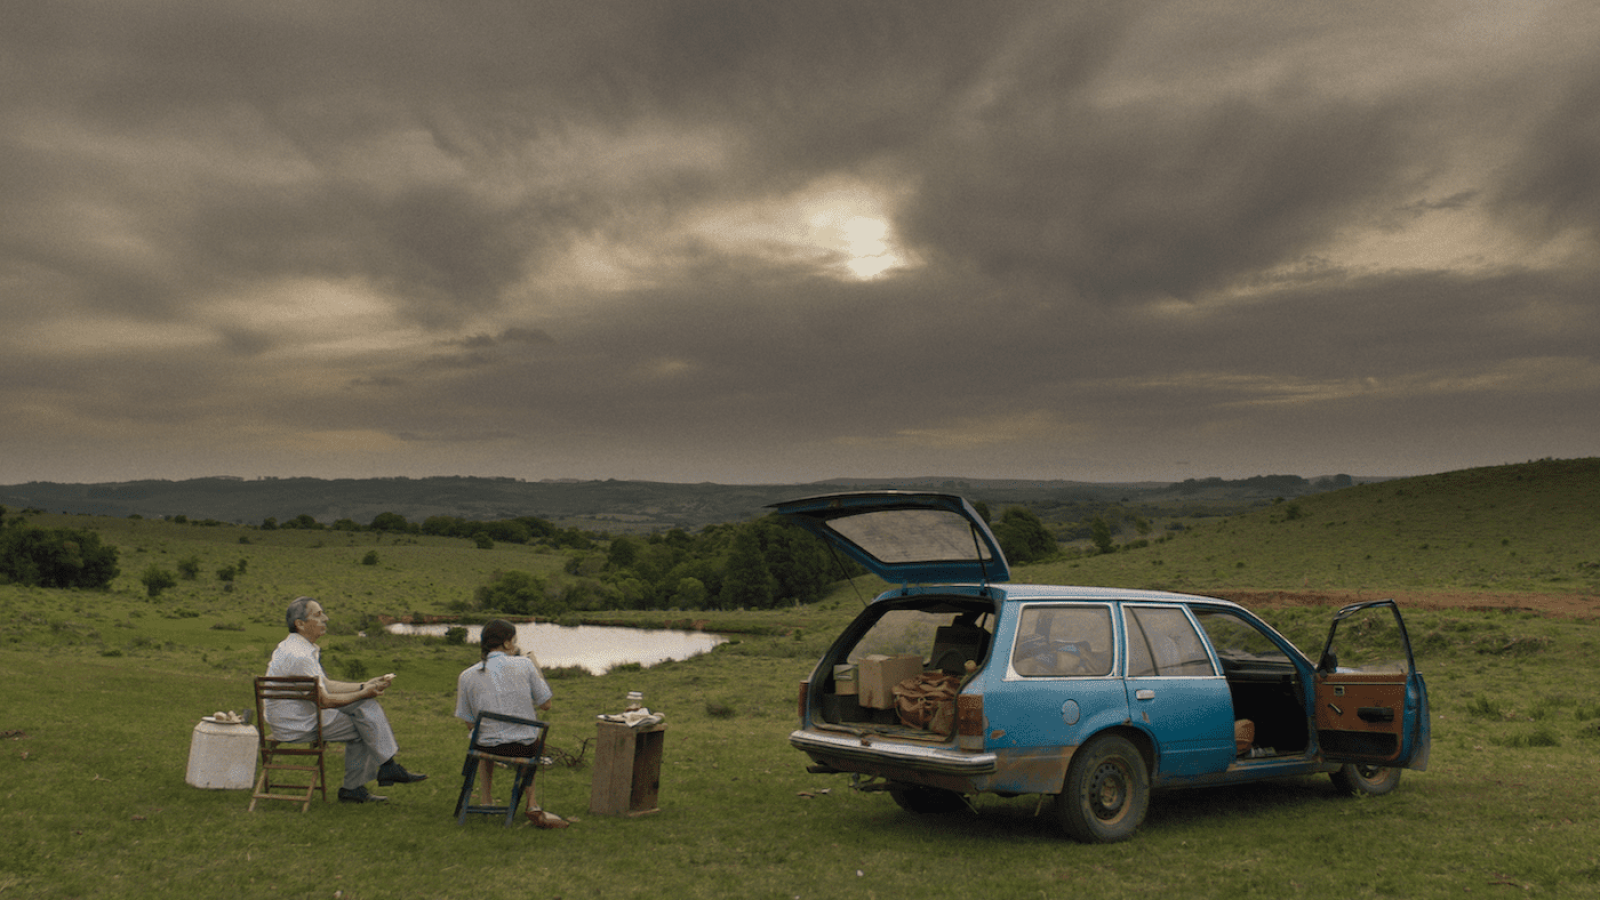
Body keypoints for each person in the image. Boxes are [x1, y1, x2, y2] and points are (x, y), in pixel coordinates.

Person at [264, 596, 427, 803]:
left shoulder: (294, 648)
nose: (326, 618)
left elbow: (326, 685)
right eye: (318, 615)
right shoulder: (300, 656)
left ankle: (378, 773)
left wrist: (364, 685)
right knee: (365, 722)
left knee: (365, 715)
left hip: (291, 718)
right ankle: (370, 777)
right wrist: (364, 693)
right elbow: (325, 701)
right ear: (300, 624)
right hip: (296, 724)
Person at [454, 619, 567, 828]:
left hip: (484, 746)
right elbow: (546, 705)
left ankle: (486, 799)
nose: (515, 645)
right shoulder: (525, 664)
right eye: (513, 641)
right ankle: (532, 803)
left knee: (482, 736)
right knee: (528, 741)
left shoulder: (467, 675)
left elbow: (469, 723)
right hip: (523, 746)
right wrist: (538, 672)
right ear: (507, 644)